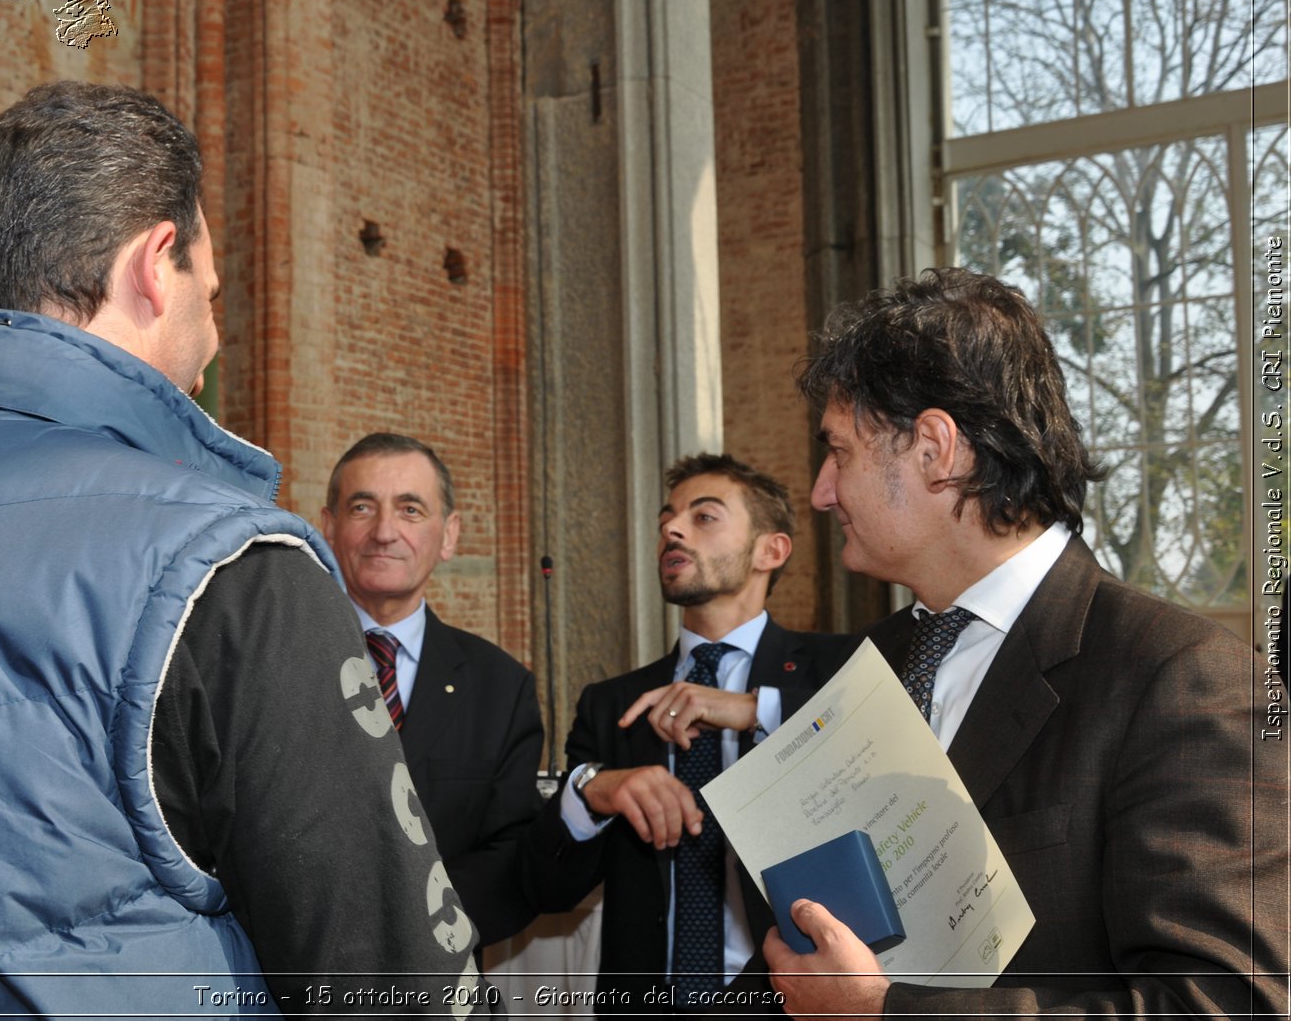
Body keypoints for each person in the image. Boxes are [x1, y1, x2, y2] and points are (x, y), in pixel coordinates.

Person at [0, 82, 489, 1017]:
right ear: (157, 265)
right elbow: (392, 984)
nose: (215, 337)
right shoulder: (226, 565)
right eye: (213, 293)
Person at [767, 266, 1288, 1016]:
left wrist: (886, 1012)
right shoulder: (868, 662)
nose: (820, 491)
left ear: (937, 450)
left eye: (839, 451)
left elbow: (1225, 1004)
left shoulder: (1184, 677)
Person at [523, 454, 856, 1013]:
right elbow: (544, 889)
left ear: (770, 551)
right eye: (666, 521)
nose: (672, 530)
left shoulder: (839, 669)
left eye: (704, 517)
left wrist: (756, 709)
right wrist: (591, 793)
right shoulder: (611, 705)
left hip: (795, 1002)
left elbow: (870, 749)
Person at [322, 433, 544, 949]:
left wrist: (407, 929)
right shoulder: (271, 663)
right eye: (361, 507)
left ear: (448, 535)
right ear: (329, 528)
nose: (384, 532)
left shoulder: (500, 688)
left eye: (410, 510)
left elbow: (510, 852)